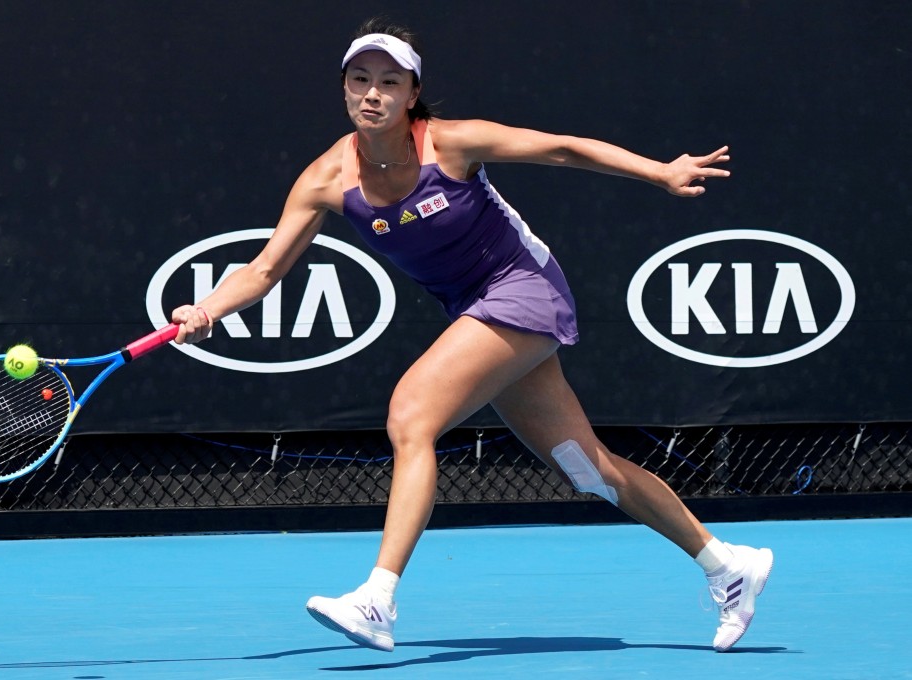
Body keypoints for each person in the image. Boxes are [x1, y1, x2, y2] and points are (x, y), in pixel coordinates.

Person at [171, 18, 773, 654]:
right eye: (359, 81)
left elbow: (562, 148)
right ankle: (727, 565)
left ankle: (378, 597)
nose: (371, 93)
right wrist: (206, 311)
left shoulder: (451, 144)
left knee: (411, 415)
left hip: (523, 289)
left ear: (411, 94)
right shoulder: (326, 179)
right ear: (345, 90)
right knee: (588, 470)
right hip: (474, 307)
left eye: (388, 82)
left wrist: (657, 172)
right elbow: (265, 270)